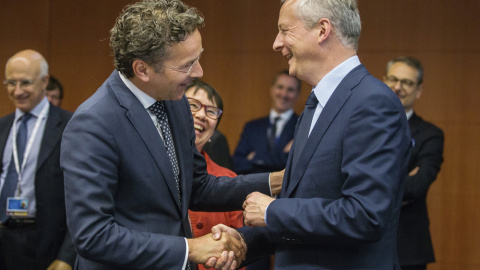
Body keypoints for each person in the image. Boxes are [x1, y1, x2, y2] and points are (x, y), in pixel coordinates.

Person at [60, 1, 281, 269]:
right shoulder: (93, 123)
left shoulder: (174, 101)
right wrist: (190, 247)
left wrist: (277, 181)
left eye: (198, 57)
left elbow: (197, 187)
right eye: (187, 65)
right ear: (142, 69)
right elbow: (93, 236)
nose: (199, 72)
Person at [211, 0, 412, 269]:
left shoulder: (372, 102)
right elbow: (302, 213)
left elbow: (365, 215)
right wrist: (246, 241)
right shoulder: (314, 106)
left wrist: (272, 211)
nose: (276, 43)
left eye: (285, 30)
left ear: (322, 30)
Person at [0, 50, 75, 270]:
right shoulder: (2, 127)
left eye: (25, 82)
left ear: (44, 81)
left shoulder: (70, 127)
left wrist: (67, 256)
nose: (17, 90)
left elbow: (81, 197)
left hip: (46, 244)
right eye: (11, 82)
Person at [384, 56, 444, 270]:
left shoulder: (431, 135)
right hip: (360, 243)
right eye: (393, 79)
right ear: (384, 81)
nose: (398, 87)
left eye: (407, 82)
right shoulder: (361, 126)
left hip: (408, 247)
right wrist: (401, 180)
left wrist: (369, 189)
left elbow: (416, 186)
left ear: (418, 90)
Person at [185, 80, 245, 270]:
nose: (202, 115)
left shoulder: (228, 180)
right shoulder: (147, 166)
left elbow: (240, 250)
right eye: (193, 105)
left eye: (211, 112)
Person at [233, 69, 301, 175]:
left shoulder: (302, 127)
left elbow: (296, 165)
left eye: (290, 90)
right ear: (272, 89)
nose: (284, 94)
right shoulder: (252, 127)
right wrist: (282, 157)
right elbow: (238, 163)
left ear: (297, 95)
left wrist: (255, 158)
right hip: (253, 188)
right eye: (280, 87)